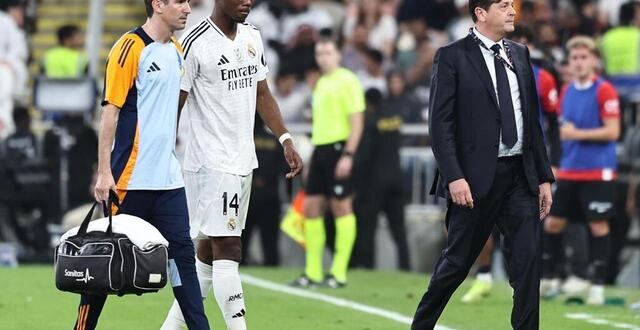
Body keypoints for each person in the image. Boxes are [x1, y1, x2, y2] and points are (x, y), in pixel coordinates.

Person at [161, 0, 303, 328]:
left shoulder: (253, 36)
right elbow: (174, 107)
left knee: (207, 255)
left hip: (241, 160)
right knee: (229, 247)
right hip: (210, 163)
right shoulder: (195, 43)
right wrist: (161, 157)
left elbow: (263, 95)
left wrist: (285, 139)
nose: (247, 2)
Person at [412, 1, 554, 329]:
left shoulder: (520, 53)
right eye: (503, 5)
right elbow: (440, 124)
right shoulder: (451, 55)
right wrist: (454, 176)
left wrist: (543, 176)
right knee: (457, 264)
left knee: (529, 263)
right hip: (474, 179)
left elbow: (531, 121)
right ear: (480, 12)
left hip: (520, 176)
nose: (512, 11)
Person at [77, 1, 210, 329]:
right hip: (129, 181)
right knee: (103, 266)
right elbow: (110, 111)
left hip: (168, 181)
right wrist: (104, 172)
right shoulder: (129, 47)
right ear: (158, 4)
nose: (188, 8)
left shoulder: (177, 50)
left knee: (183, 261)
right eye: (179, 1)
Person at [461, 24, 562, 304]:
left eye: (520, 41)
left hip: (525, 161)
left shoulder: (541, 77)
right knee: (479, 227)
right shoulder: (479, 68)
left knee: (524, 230)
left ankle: (524, 282)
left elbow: (550, 121)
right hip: (489, 160)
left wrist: (551, 164)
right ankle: (483, 275)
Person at [540, 36, 620, 306]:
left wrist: (577, 133)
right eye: (574, 58)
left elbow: (613, 131)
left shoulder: (604, 90)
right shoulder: (566, 91)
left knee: (598, 225)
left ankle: (597, 285)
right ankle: (548, 278)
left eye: (584, 57)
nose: (579, 62)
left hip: (597, 170)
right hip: (570, 170)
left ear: (595, 60)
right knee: (553, 223)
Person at [291, 38, 365, 289]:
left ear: (338, 55)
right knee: (311, 207)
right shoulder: (321, 83)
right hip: (321, 150)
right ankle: (313, 273)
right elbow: (319, 126)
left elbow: (357, 121)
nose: (323, 57)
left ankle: (339, 272)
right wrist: (312, 157)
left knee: (341, 208)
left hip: (339, 148)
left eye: (328, 52)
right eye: (319, 53)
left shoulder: (348, 80)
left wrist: (348, 155)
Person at [352, 88, 410, 271]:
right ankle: (405, 266)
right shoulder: (394, 119)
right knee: (399, 230)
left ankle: (368, 265)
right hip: (396, 178)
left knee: (368, 227)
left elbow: (366, 154)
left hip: (374, 183)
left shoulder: (370, 121)